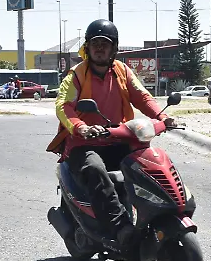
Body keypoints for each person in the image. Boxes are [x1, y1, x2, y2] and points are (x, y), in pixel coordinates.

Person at [48, 19, 177, 248]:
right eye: (95, 43)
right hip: (84, 143)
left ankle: (160, 210)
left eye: (105, 44)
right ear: (87, 48)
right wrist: (82, 128)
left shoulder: (123, 71)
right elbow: (63, 106)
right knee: (95, 168)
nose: (100, 48)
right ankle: (121, 229)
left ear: (114, 48)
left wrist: (162, 117)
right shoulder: (76, 75)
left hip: (118, 138)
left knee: (149, 160)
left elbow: (142, 97)